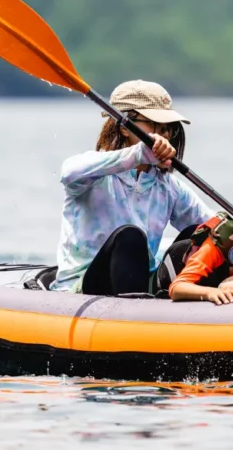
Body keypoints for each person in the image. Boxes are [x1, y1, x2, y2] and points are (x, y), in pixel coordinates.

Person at [49, 80, 215, 295]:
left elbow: (210, 223)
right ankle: (135, 314)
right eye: (155, 125)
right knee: (130, 236)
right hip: (83, 287)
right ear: (124, 127)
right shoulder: (93, 173)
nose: (164, 135)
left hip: (141, 282)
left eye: (168, 128)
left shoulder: (169, 187)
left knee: (201, 235)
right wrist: (139, 154)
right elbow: (68, 171)